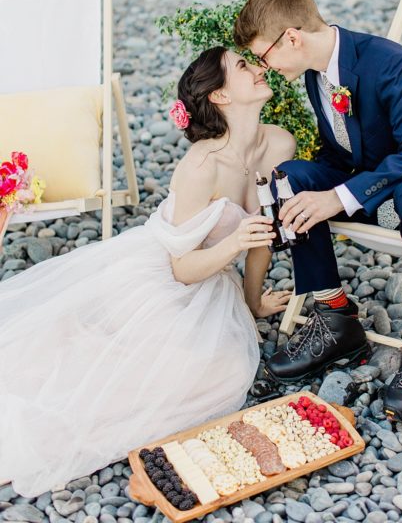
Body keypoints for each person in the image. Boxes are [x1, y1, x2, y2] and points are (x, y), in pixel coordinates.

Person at [0, 47, 294, 498]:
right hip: (160, 273)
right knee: (148, 367)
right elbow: (181, 267)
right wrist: (234, 243)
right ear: (219, 95)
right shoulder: (200, 165)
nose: (258, 68)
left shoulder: (279, 144)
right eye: (243, 66)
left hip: (213, 279)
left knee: (228, 369)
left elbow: (263, 238)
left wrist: (251, 304)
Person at [233, 0, 402, 421]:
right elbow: (342, 154)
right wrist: (298, 200)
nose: (266, 67)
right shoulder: (317, 76)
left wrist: (339, 197)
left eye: (264, 56)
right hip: (379, 186)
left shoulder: (389, 62)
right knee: (293, 178)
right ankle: (337, 319)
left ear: (292, 38)